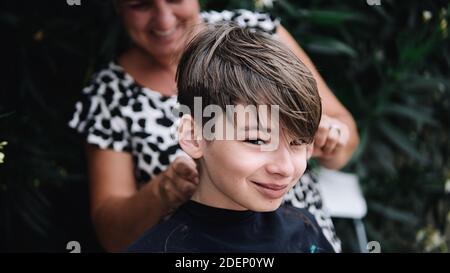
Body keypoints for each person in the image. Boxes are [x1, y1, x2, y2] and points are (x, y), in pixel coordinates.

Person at [68, 0, 359, 252]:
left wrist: (328, 137)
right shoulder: (109, 94)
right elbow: (111, 235)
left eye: (298, 142)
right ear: (191, 135)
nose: (164, 18)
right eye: (141, 4)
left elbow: (344, 137)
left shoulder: (258, 34)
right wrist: (161, 191)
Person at [127, 22, 333, 252]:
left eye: (298, 142)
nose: (284, 168)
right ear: (194, 136)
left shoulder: (305, 230)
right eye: (257, 140)